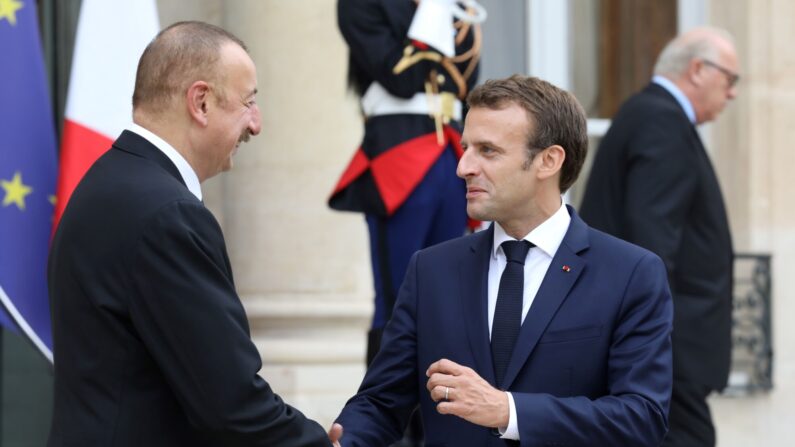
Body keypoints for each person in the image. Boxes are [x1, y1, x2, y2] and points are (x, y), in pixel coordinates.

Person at [334, 75, 673, 446]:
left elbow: (642, 419)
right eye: (466, 148)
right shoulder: (430, 270)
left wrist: (508, 411)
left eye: (488, 151)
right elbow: (381, 403)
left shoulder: (630, 273)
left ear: (548, 161)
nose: (463, 166)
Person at [48, 21, 338, 447]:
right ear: (200, 102)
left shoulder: (106, 184)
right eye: (248, 102)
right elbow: (230, 405)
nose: (255, 124)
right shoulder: (169, 216)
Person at [579, 27, 738, 447]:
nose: (733, 93)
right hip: (667, 348)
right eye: (731, 79)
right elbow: (652, 241)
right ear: (698, 69)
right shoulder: (662, 120)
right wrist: (654, 343)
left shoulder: (650, 113)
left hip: (659, 344)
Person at [329, 0, 483, 364]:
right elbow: (402, 78)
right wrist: (432, 13)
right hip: (400, 152)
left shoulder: (455, 7)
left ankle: (438, 411)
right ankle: (386, 416)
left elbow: (467, 81)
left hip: (449, 148)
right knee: (398, 298)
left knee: (447, 296)